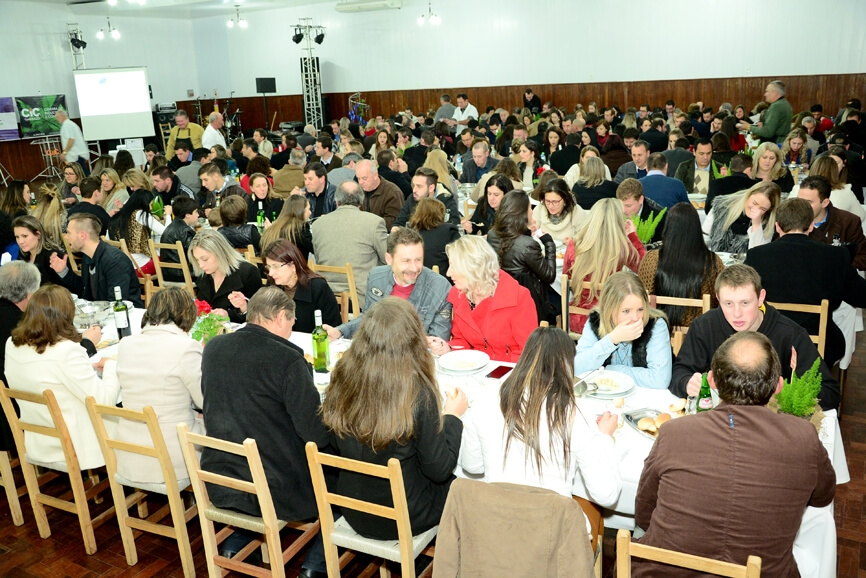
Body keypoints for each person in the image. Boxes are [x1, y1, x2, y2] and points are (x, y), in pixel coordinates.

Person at [636, 331, 835, 578]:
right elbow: (823, 496)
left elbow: (644, 511)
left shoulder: (674, 432)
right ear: (778, 387)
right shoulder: (804, 437)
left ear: (712, 380)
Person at [200, 286, 330, 576]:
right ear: (281, 317)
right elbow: (314, 434)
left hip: (222, 477)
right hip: (274, 488)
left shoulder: (214, 348)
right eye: (293, 322)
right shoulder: (288, 360)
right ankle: (316, 564)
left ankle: (240, 536)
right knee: (339, 473)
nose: (292, 329)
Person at [320, 297, 467, 541]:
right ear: (413, 339)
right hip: (405, 516)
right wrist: (452, 416)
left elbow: (335, 443)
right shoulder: (417, 391)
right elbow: (440, 469)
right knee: (465, 484)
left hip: (354, 509)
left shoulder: (343, 374)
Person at [460, 326, 620, 523]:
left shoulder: (485, 397)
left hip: (494, 533)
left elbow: (472, 466)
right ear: (568, 366)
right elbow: (606, 495)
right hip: (550, 539)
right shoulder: (577, 414)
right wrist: (604, 438)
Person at [669, 264, 841, 411]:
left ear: (761, 298)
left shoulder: (791, 335)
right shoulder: (704, 326)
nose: (737, 313)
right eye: (728, 304)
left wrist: (787, 394)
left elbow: (829, 392)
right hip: (719, 422)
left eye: (745, 303)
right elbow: (679, 372)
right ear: (718, 299)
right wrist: (687, 382)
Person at [5, 284, 118, 470]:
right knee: (131, 417)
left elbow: (47, 373)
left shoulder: (12, 344)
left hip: (38, 440)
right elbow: (104, 403)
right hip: (76, 444)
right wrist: (113, 368)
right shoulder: (67, 351)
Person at [745, 197, 866, 369]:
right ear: (811, 226)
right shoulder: (835, 256)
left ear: (777, 226)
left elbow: (745, 298)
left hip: (769, 341)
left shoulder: (757, 256)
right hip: (818, 345)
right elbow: (861, 297)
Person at [113, 287, 203, 486]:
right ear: (186, 315)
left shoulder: (126, 343)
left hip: (130, 452)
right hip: (172, 457)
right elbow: (204, 400)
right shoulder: (186, 347)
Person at [324, 228, 452, 341]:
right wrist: (340, 331)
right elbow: (368, 318)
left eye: (418, 260)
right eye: (406, 261)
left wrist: (436, 344)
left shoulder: (440, 288)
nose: (414, 268)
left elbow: (439, 338)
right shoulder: (376, 277)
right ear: (389, 259)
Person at [428, 236, 536, 362]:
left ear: (473, 268)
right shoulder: (459, 295)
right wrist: (448, 348)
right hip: (474, 369)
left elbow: (528, 352)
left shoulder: (518, 298)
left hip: (510, 371)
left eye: (453, 266)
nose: (448, 273)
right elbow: (462, 341)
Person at [574, 271, 672, 389]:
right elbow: (576, 368)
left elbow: (660, 380)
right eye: (626, 311)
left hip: (643, 397)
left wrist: (609, 370)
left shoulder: (655, 325)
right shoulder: (597, 321)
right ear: (608, 309)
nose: (635, 318)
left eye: (640, 309)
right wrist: (612, 340)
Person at [563, 197, 646, 334]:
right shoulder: (621, 247)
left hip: (577, 318)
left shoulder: (575, 244)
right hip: (608, 319)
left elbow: (567, 277)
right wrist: (632, 235)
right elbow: (645, 269)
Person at [638, 203, 723, 327]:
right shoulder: (713, 262)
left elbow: (643, 297)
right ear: (697, 229)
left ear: (668, 228)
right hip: (698, 332)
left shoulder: (652, 259)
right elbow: (719, 300)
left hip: (658, 331)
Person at [310, 181, 388, 309]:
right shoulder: (374, 222)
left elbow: (318, 258)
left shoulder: (318, 224)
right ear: (361, 201)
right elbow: (387, 259)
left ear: (336, 201)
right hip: (361, 299)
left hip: (326, 296)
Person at [488, 191, 557, 322]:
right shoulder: (527, 245)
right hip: (529, 304)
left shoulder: (492, 234)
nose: (532, 211)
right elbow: (549, 276)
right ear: (523, 214)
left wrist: (526, 231)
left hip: (501, 298)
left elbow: (511, 248)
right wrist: (549, 243)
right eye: (530, 208)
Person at [51, 213, 143, 306]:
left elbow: (116, 303)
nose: (66, 237)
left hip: (127, 316)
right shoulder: (88, 256)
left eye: (69, 233)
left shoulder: (114, 261)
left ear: (82, 235)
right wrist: (63, 271)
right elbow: (84, 288)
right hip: (101, 313)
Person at [0, 262, 42, 453]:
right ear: (29, 294)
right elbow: (47, 354)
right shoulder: (20, 325)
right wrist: (88, 344)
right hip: (16, 407)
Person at [259, 239, 340, 333]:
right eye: (269, 267)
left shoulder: (317, 287)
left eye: (276, 266)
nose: (271, 273)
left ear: (293, 266)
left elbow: (332, 327)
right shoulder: (273, 285)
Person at [188, 229, 261, 323]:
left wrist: (229, 314)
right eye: (197, 260)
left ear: (220, 253)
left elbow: (258, 314)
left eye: (205, 259)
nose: (201, 265)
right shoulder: (204, 275)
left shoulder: (247, 272)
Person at [797, 175, 866, 271]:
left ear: (825, 203)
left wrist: (836, 266)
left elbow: (863, 256)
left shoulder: (848, 221)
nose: (801, 206)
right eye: (799, 201)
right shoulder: (790, 219)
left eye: (808, 202)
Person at [703, 181, 780, 253]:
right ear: (748, 195)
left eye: (763, 209)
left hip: (746, 266)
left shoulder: (768, 222)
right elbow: (704, 237)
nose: (755, 209)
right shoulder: (722, 206)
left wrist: (756, 224)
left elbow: (758, 253)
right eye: (754, 203)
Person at [107, 187, 166, 276]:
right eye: (150, 204)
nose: (151, 207)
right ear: (146, 203)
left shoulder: (116, 218)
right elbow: (167, 233)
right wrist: (168, 216)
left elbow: (109, 242)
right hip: (140, 268)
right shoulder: (141, 214)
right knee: (167, 258)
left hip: (121, 268)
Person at [792, 155, 866, 224]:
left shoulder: (798, 189)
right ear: (835, 172)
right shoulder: (845, 191)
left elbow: (788, 214)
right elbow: (860, 216)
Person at [393, 167, 460, 229]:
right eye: (414, 185)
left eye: (419, 186)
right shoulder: (412, 198)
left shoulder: (446, 201)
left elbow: (454, 226)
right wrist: (396, 228)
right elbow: (399, 222)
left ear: (431, 188)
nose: (414, 190)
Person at [409, 197, 460, 277]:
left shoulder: (410, 233)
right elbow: (461, 257)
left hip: (414, 279)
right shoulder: (448, 231)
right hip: (444, 280)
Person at [13, 216, 66, 287]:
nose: (20, 241)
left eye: (25, 236)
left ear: (38, 235)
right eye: (17, 237)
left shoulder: (53, 255)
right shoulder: (23, 254)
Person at [736, 80, 794, 144]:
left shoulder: (776, 106)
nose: (765, 94)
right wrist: (764, 125)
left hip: (775, 144)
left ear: (775, 93)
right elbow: (776, 127)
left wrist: (748, 127)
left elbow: (768, 132)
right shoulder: (785, 104)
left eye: (767, 91)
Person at [532, 177, 587, 244]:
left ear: (565, 199)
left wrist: (574, 242)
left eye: (555, 202)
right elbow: (532, 233)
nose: (550, 206)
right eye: (547, 201)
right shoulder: (539, 209)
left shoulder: (576, 212)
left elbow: (584, 239)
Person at [260, 195, 314, 261]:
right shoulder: (301, 228)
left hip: (272, 269)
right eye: (308, 209)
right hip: (293, 269)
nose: (310, 213)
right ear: (300, 211)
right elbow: (316, 250)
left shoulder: (272, 228)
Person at [355, 159, 404, 230]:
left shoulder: (392, 192)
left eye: (364, 178)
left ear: (375, 175)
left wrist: (368, 223)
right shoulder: (358, 191)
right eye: (358, 179)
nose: (361, 182)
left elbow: (395, 221)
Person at [160, 196, 199, 282]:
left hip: (167, 274)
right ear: (187, 215)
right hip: (183, 274)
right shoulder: (185, 231)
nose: (198, 215)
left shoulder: (169, 228)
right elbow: (196, 255)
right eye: (196, 212)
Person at [616, 178, 667, 244]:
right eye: (621, 205)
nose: (624, 210)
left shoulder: (660, 219)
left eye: (628, 206)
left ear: (640, 199)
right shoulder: (614, 216)